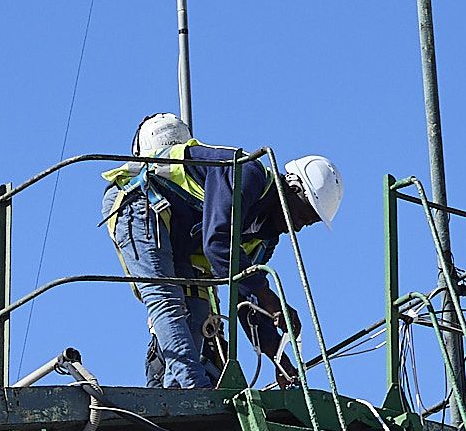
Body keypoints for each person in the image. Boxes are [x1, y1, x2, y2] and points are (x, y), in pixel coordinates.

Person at [102, 114, 343, 390]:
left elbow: (245, 298)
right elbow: (217, 242)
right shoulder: (246, 173)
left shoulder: (264, 240)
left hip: (178, 238)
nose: (298, 227)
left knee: (195, 307)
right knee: (166, 298)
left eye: (308, 223)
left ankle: (172, 396)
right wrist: (267, 295)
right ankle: (194, 387)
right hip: (141, 202)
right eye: (303, 215)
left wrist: (279, 357)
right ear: (291, 188)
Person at [101, 113, 216, 389]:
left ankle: (179, 384)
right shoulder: (142, 193)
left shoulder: (183, 190)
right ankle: (188, 384)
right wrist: (196, 385)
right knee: (166, 298)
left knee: (189, 299)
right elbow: (163, 299)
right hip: (139, 207)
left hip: (169, 216)